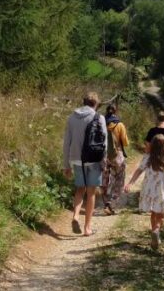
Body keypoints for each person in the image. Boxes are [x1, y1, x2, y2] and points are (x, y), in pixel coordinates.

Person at [125, 134, 164, 250]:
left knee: (153, 213)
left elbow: (138, 171)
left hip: (148, 191)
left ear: (152, 145)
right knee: (161, 214)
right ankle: (156, 230)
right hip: (160, 192)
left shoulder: (147, 158)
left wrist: (130, 183)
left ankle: (154, 236)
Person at [62, 91, 107, 236]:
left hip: (76, 158)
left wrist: (66, 165)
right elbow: (104, 142)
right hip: (93, 158)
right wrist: (104, 162)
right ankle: (87, 228)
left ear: (84, 102)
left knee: (80, 189)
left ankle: (75, 216)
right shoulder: (99, 117)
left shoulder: (71, 118)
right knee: (91, 193)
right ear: (96, 104)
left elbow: (66, 143)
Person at [101, 103, 130, 215]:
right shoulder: (119, 125)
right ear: (115, 111)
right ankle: (111, 203)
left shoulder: (101, 123)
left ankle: (105, 203)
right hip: (117, 156)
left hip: (103, 156)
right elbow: (126, 142)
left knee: (105, 179)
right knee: (119, 179)